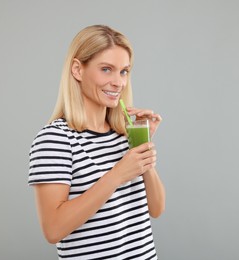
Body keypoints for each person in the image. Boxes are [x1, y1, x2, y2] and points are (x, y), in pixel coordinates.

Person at [28, 25, 165, 259]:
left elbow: (156, 209)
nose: (118, 82)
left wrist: (143, 152)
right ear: (77, 70)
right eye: (106, 69)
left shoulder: (124, 133)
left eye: (123, 71)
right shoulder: (55, 140)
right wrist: (117, 175)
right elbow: (53, 229)